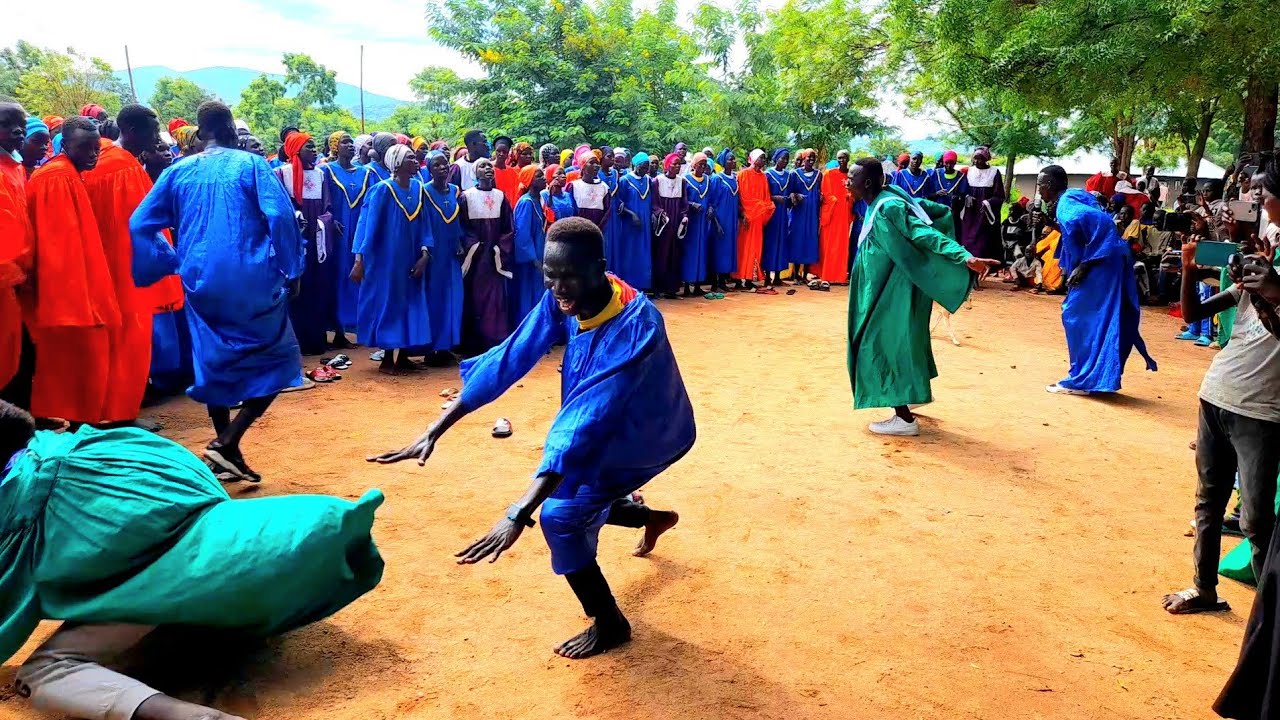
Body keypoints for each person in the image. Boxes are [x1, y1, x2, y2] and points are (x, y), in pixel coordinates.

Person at [370, 216, 693, 659]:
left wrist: (519, 512)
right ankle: (649, 518)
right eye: (550, 275)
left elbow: (585, 421)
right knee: (579, 490)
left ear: (600, 267)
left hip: (643, 430)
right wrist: (436, 428)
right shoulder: (567, 297)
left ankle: (610, 622)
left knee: (558, 517)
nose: (558, 288)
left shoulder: (636, 324)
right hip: (601, 427)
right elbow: (511, 356)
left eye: (570, 277)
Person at [0, 399, 385, 720]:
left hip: (176, 580)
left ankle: (191, 716)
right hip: (254, 551)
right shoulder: (120, 442)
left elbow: (14, 596)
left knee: (46, 671)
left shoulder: (20, 506)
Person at [130, 101, 305, 481]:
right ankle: (228, 441)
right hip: (250, 275)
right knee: (282, 359)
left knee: (212, 360)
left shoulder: (178, 170)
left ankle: (228, 449)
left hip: (199, 279)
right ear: (229, 129)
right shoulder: (251, 165)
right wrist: (291, 267)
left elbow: (140, 222)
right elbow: (279, 216)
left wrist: (168, 260)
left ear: (199, 130)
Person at [846, 158, 998, 436]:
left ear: (866, 183)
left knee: (881, 344)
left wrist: (963, 256)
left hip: (891, 290)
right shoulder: (890, 196)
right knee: (903, 341)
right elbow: (934, 211)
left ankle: (903, 419)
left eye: (851, 178)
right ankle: (911, 392)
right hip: (888, 284)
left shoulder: (888, 206)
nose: (847, 182)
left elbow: (923, 231)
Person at [81, 104, 186, 428]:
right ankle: (122, 414)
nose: (157, 139)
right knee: (131, 339)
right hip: (126, 269)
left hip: (107, 266)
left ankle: (116, 411)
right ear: (132, 131)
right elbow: (140, 228)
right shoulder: (122, 168)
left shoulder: (107, 162)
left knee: (118, 340)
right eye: (152, 132)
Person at [23, 116, 124, 427]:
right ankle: (80, 426)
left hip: (80, 289)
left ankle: (83, 421)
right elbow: (60, 248)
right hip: (70, 295)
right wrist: (80, 302)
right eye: (85, 148)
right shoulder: (57, 178)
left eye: (96, 147)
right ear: (65, 146)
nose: (93, 154)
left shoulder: (69, 174)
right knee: (77, 362)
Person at [1035, 165, 1156, 396]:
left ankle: (1082, 380)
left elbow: (1103, 223)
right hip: (1109, 260)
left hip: (1101, 264)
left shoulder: (1066, 204)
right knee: (1101, 317)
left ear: (1049, 185)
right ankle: (1096, 378)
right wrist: (1050, 224)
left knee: (1076, 315)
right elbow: (1081, 231)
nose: (1039, 190)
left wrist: (1084, 265)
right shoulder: (1074, 197)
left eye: (1040, 185)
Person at [351, 145, 433, 375]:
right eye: (409, 157)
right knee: (390, 301)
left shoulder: (418, 188)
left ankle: (404, 355)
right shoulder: (382, 190)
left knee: (412, 302)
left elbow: (425, 225)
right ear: (396, 162)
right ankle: (388, 358)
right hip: (386, 259)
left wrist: (425, 255)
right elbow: (368, 225)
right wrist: (360, 259)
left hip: (412, 257)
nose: (415, 160)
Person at [275, 132, 338, 357]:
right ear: (295, 150)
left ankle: (316, 339)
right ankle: (297, 341)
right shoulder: (282, 174)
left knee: (317, 287)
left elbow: (328, 207)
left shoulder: (320, 175)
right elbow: (280, 207)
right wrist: (295, 217)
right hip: (296, 238)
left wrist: (323, 222)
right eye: (308, 146)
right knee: (296, 289)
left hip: (316, 239)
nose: (313, 150)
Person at [460, 158, 515, 354]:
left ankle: (495, 340)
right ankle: (473, 343)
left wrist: (498, 249)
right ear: (475, 173)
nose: (488, 169)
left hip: (494, 257)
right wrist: (475, 245)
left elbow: (508, 228)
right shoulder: (466, 197)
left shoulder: (501, 197)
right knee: (474, 298)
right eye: (482, 166)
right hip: (475, 258)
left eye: (489, 166)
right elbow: (463, 227)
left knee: (495, 299)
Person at [324, 132, 373, 343]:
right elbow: (324, 201)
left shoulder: (365, 173)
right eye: (345, 142)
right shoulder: (326, 171)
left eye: (351, 142)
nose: (350, 145)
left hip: (358, 230)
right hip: (339, 232)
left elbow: (371, 201)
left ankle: (359, 325)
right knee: (339, 276)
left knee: (359, 273)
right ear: (335, 147)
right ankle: (338, 328)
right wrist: (330, 219)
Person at [422, 151, 466, 365]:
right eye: (437, 165)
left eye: (445, 164)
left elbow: (457, 221)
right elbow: (424, 224)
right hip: (434, 253)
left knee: (453, 297)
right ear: (429, 169)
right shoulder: (425, 192)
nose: (443, 167)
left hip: (451, 252)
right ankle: (433, 347)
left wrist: (459, 242)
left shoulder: (455, 191)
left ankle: (447, 345)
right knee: (435, 297)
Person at [0, 103, 31, 399]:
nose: (17, 130)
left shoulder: (15, 168)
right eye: (7, 124)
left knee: (19, 349)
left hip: (19, 278)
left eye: (20, 123)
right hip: (6, 278)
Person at [510, 164, 548, 327]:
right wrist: (534, 260)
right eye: (539, 176)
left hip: (539, 253)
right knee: (528, 296)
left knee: (538, 294)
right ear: (530, 181)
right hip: (530, 260)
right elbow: (522, 235)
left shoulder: (538, 200)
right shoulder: (526, 203)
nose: (544, 178)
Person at [735, 149, 775, 291]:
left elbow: (766, 197)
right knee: (743, 248)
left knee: (755, 249)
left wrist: (765, 207)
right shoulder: (743, 174)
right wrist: (744, 213)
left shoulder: (763, 177)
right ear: (754, 159)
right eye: (761, 158)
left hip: (758, 219)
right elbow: (741, 197)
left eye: (765, 158)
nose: (764, 161)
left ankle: (750, 278)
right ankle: (739, 278)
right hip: (746, 218)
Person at [958, 146, 1005, 264]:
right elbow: (963, 190)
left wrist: (988, 203)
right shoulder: (969, 171)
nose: (978, 162)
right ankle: (969, 261)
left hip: (986, 214)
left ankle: (987, 264)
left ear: (986, 159)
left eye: (981, 159)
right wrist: (967, 197)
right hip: (971, 213)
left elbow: (999, 195)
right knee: (969, 238)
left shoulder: (994, 172)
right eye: (976, 159)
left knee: (985, 239)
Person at [651, 153, 689, 299]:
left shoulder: (682, 181)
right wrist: (661, 214)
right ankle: (658, 287)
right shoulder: (657, 181)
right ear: (667, 165)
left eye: (679, 164)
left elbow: (684, 202)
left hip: (676, 221)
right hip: (664, 222)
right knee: (661, 253)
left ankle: (671, 288)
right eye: (674, 164)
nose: (677, 166)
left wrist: (684, 216)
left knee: (674, 254)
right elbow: (654, 203)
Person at [614, 154, 654, 291]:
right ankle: (629, 285)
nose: (644, 170)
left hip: (645, 223)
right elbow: (619, 203)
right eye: (642, 167)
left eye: (646, 168)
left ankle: (644, 285)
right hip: (630, 223)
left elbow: (653, 201)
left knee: (644, 251)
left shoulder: (649, 181)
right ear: (635, 165)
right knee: (630, 252)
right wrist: (631, 215)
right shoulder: (625, 180)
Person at [813, 150, 852, 285]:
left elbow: (854, 193)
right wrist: (836, 199)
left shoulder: (851, 174)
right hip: (832, 213)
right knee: (828, 244)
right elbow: (825, 192)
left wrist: (848, 197)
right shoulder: (829, 173)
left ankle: (840, 275)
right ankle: (826, 274)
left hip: (844, 214)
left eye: (844, 158)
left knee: (841, 245)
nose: (842, 160)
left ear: (848, 158)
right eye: (839, 158)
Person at [707, 149, 740, 292]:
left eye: (734, 159)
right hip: (720, 219)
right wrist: (716, 223)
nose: (733, 162)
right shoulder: (716, 179)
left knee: (728, 250)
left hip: (731, 219)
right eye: (730, 159)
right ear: (723, 162)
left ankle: (723, 281)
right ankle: (715, 283)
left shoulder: (735, 179)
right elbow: (711, 204)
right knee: (718, 250)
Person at [787, 149, 822, 283]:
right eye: (809, 157)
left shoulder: (819, 175)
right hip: (799, 212)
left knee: (810, 240)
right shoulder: (795, 174)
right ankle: (796, 275)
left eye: (813, 157)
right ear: (804, 158)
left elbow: (821, 191)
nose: (811, 159)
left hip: (812, 211)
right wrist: (795, 196)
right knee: (797, 239)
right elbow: (789, 193)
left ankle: (806, 273)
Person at [681, 152, 713, 296]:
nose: (702, 167)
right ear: (694, 165)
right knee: (690, 252)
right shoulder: (686, 180)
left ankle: (699, 284)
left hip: (703, 222)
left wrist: (711, 207)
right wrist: (692, 204)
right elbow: (682, 200)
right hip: (692, 222)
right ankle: (687, 285)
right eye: (700, 164)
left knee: (702, 251)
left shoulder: (707, 180)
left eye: (705, 165)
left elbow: (711, 198)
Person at [760, 148, 792, 293]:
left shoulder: (788, 175)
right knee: (770, 243)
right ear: (776, 159)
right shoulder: (768, 175)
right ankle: (767, 276)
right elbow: (763, 194)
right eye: (782, 158)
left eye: (787, 159)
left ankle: (778, 276)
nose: (784, 161)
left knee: (781, 242)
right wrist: (774, 198)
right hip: (771, 212)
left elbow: (790, 192)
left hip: (783, 214)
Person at [568, 149, 611, 233]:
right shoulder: (574, 186)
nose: (596, 166)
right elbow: (571, 208)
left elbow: (607, 211)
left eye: (597, 163)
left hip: (598, 229)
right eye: (591, 163)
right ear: (583, 166)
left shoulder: (604, 187)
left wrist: (598, 228)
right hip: (577, 229)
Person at [492, 136, 521, 209]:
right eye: (498, 151)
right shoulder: (489, 169)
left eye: (504, 152)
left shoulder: (512, 172)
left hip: (509, 208)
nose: (501, 154)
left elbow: (515, 192)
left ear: (508, 153)